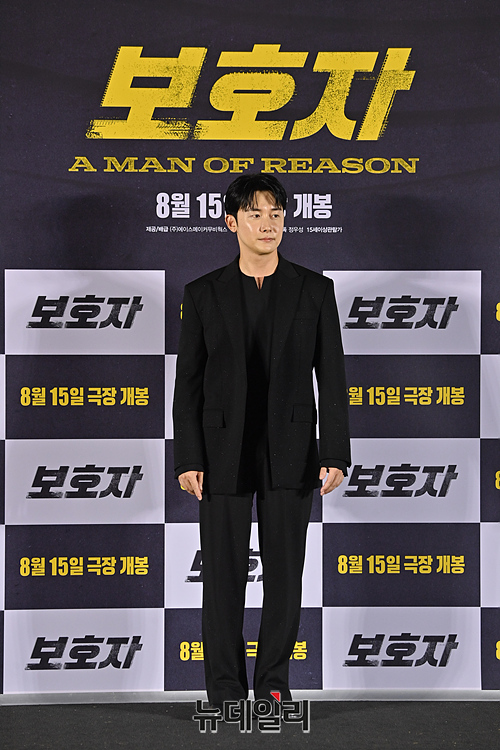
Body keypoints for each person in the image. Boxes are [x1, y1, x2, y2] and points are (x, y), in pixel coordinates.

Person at [173, 173, 350, 708]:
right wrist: (188, 457)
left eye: (275, 214)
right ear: (232, 222)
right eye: (255, 214)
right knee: (221, 579)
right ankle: (225, 692)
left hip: (291, 452)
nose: (267, 224)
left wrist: (334, 452)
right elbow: (188, 384)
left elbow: (332, 377)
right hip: (220, 453)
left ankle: (273, 686)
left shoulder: (315, 289)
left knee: (285, 578)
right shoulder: (202, 293)